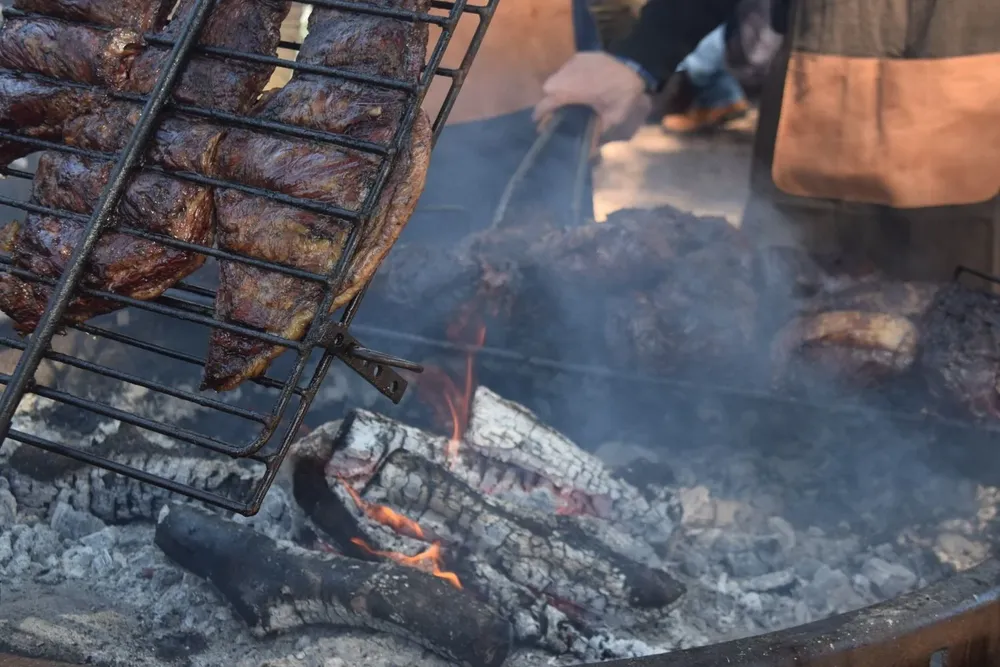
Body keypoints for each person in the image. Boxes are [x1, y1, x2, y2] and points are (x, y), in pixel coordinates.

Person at [535, 0, 1000, 283]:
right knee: (786, 308)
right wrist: (640, 60)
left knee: (963, 338)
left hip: (978, 136)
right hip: (822, 116)